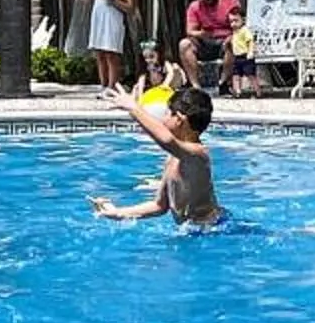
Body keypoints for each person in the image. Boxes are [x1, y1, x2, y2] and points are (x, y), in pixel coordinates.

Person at [93, 79, 223, 228]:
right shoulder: (173, 157)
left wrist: (134, 108)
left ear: (179, 119)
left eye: (167, 113)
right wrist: (117, 213)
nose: (162, 119)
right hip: (192, 231)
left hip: (214, 229)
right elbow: (160, 205)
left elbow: (166, 140)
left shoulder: (198, 154)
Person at [80, 0, 137, 91]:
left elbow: (131, 8)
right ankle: (103, 84)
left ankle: (112, 86)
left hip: (112, 22)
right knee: (100, 54)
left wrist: (116, 1)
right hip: (99, 23)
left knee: (111, 54)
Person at [181, 0, 245, 92]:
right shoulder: (195, 7)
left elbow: (240, 24)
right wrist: (201, 34)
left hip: (225, 40)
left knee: (234, 41)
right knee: (184, 44)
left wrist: (232, 35)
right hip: (204, 41)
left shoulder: (230, 3)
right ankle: (195, 85)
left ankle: (223, 82)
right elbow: (190, 31)